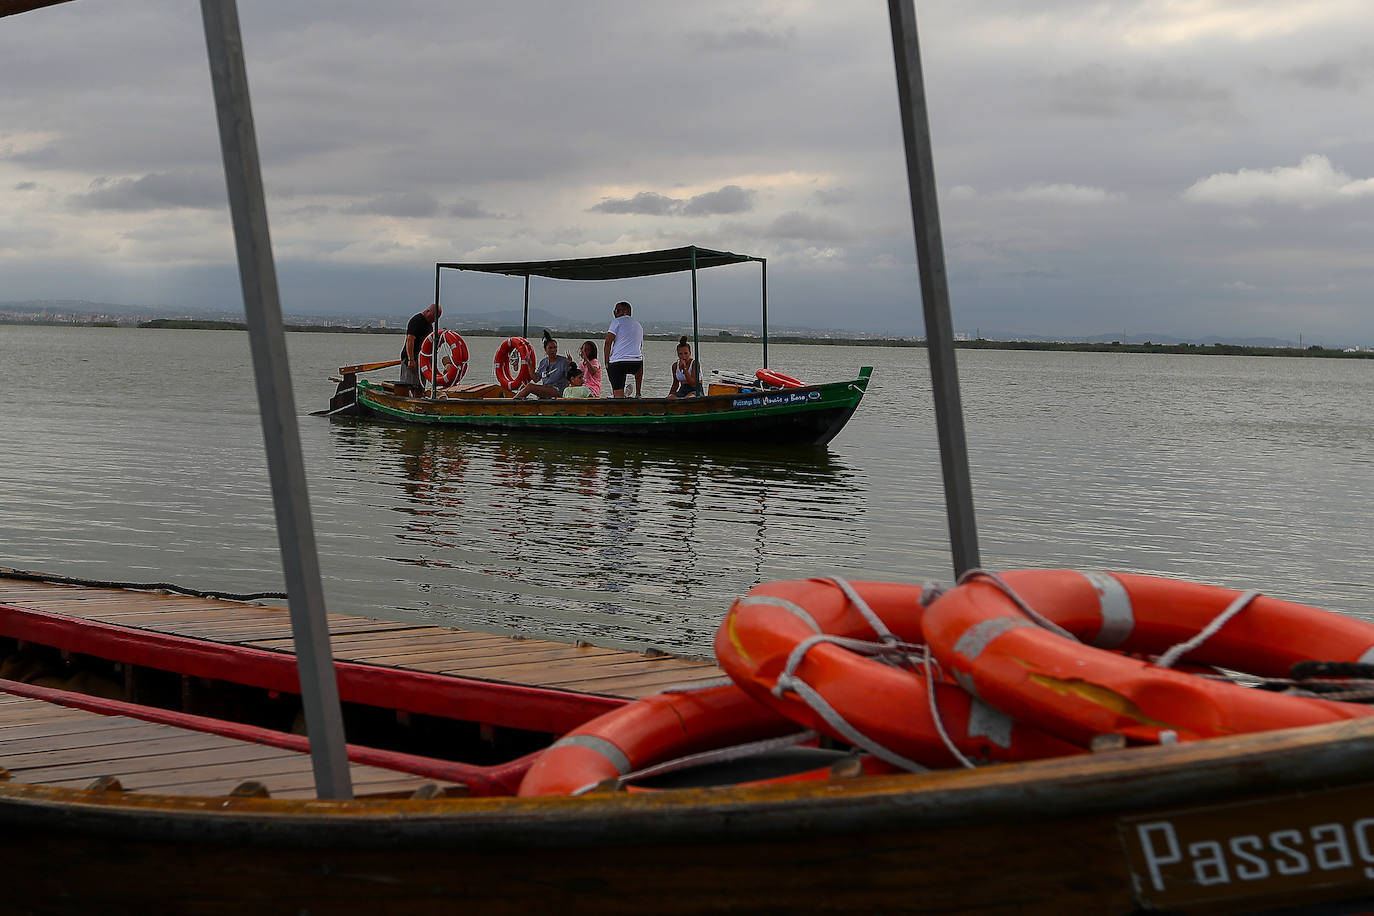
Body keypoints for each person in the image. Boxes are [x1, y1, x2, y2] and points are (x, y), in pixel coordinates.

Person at [511, 332, 573, 399]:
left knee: (530, 386)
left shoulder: (564, 361)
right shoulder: (543, 362)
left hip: (559, 389)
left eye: (555, 348)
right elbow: (536, 379)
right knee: (527, 387)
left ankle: (512, 403)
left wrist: (570, 365)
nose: (553, 350)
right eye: (550, 348)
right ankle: (515, 400)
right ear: (545, 349)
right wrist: (529, 364)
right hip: (546, 389)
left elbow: (570, 378)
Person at [604, 300, 644, 398]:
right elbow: (640, 346)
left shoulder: (616, 322)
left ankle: (618, 395)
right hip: (636, 363)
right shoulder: (638, 325)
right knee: (639, 362)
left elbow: (608, 342)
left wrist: (606, 362)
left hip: (618, 363)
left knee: (618, 392)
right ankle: (638, 394)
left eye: (617, 311)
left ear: (625, 311)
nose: (615, 313)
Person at [399, 302, 440, 396]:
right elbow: (410, 339)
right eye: (434, 317)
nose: (434, 320)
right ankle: (406, 402)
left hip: (422, 361)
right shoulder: (417, 320)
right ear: (428, 311)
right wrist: (411, 359)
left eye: (436, 318)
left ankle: (419, 399)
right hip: (411, 359)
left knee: (420, 385)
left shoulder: (429, 325)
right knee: (409, 384)